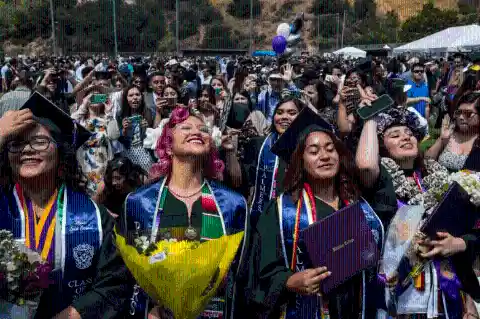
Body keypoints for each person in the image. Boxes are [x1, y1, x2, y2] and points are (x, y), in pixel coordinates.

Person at [234, 106, 397, 318]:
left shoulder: (361, 203)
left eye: (331, 149)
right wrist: (289, 281)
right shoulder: (282, 211)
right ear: (300, 161)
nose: (325, 156)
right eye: (313, 151)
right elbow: (258, 272)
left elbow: (382, 252)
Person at [0, 92, 129, 318]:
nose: (27, 149)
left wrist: (77, 313)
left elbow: (114, 282)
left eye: (39, 141)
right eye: (16, 143)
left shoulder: (94, 218)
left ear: (61, 153)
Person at [356, 97, 480, 317]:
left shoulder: (438, 177)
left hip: (447, 290)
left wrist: (459, 244)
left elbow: (467, 232)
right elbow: (366, 164)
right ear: (381, 146)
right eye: (394, 135)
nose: (405, 137)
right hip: (403, 296)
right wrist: (371, 117)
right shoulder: (381, 183)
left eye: (409, 133)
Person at [120, 106, 247, 318]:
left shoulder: (232, 204)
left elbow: (244, 277)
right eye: (186, 127)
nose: (197, 132)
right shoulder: (141, 203)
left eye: (204, 129)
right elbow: (130, 274)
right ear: (168, 146)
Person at [426, 92, 480, 172]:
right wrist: (441, 139)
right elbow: (427, 159)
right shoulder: (449, 134)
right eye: (459, 112)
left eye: (468, 113)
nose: (461, 117)